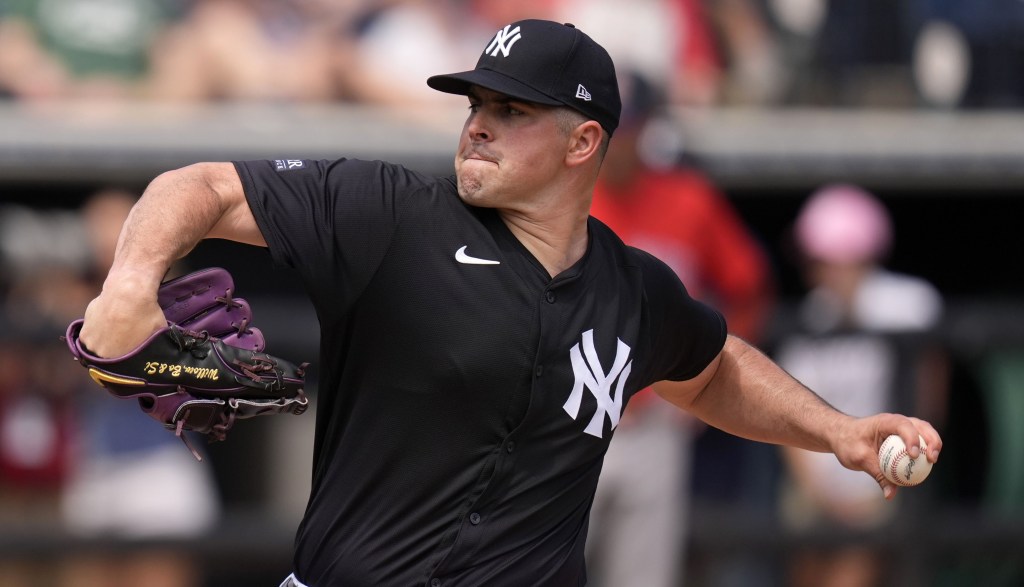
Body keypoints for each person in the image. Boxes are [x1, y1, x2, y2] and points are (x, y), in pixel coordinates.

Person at [77, 18, 942, 587]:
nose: (477, 123)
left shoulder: (633, 290)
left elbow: (711, 372)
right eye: (474, 103)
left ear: (584, 141)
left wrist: (837, 431)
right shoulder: (390, 215)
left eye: (510, 108)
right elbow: (201, 187)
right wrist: (129, 286)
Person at [585, 70, 774, 587]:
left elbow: (749, 285)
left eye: (628, 128)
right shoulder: (563, 195)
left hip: (653, 423)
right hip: (567, 420)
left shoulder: (688, 200)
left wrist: (708, 374)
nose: (618, 143)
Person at [774, 184, 946, 587]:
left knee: (854, 568)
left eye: (833, 259)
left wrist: (908, 466)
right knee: (806, 566)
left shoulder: (909, 302)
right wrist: (821, 495)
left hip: (885, 478)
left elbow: (931, 392)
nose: (822, 271)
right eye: (818, 260)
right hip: (818, 482)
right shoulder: (812, 315)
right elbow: (785, 417)